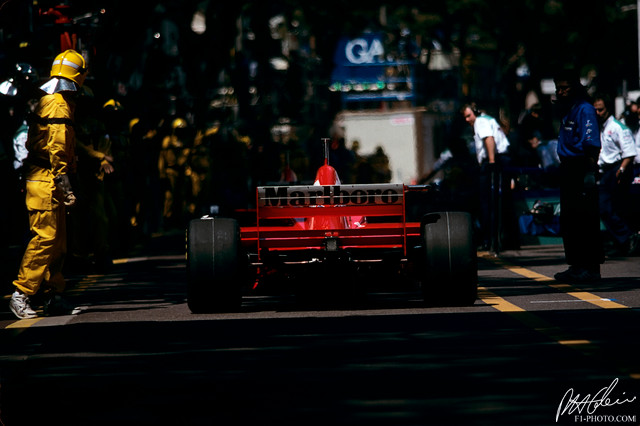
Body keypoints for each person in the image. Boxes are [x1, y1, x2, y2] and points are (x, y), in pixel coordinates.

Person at [9, 50, 88, 319]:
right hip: (46, 178)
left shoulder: (54, 98)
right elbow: (57, 148)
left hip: (47, 178)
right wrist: (66, 184)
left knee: (58, 242)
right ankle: (22, 293)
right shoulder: (58, 103)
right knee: (45, 239)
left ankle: (54, 296)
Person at [553, 69, 603, 283]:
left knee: (585, 219)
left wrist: (589, 174)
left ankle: (590, 267)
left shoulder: (585, 109)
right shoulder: (569, 110)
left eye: (565, 88)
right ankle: (576, 265)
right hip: (567, 168)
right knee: (570, 219)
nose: (561, 92)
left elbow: (591, 144)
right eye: (558, 88)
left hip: (581, 167)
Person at [461, 102, 512, 253]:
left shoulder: (480, 122)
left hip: (493, 161)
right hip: (500, 159)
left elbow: (489, 139)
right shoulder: (488, 119)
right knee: (497, 201)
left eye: (469, 115)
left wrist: (490, 161)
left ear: (475, 112)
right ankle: (498, 240)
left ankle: (491, 241)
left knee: (488, 203)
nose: (467, 119)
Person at [593, 93, 639, 255]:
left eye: (601, 110)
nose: (598, 113)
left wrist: (620, 171)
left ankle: (626, 238)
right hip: (604, 170)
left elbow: (629, 153)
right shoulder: (599, 128)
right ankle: (622, 241)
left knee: (605, 206)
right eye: (596, 110)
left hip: (618, 169)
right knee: (610, 207)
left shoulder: (618, 128)